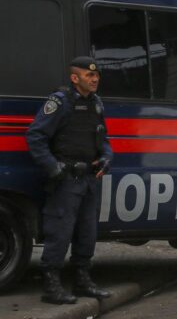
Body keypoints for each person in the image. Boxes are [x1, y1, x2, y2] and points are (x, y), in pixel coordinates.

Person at [25, 56, 113, 305]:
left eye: (96, 75)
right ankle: (52, 286)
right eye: (89, 75)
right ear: (75, 78)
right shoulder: (60, 102)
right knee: (60, 232)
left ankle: (82, 280)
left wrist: (107, 158)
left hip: (89, 179)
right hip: (67, 179)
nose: (95, 79)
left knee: (87, 232)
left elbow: (103, 138)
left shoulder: (96, 104)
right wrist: (53, 168)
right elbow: (35, 136)